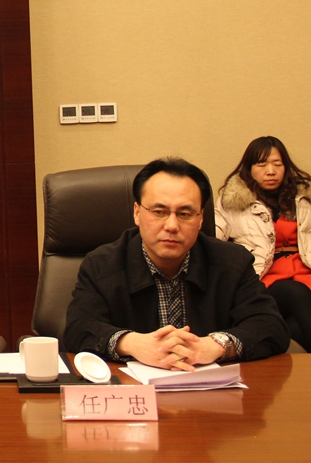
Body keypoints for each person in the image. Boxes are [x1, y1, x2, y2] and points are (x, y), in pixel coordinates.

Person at [63, 157, 289, 370]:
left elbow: (270, 325)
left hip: (211, 389)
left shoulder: (233, 262)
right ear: (137, 213)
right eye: (159, 212)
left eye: (185, 213)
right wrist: (132, 343)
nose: (171, 225)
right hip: (133, 389)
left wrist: (215, 345)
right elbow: (78, 328)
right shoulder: (101, 265)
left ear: (200, 218)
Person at [215, 136, 311, 351]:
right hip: (265, 278)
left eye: (277, 164)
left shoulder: (305, 199)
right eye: (262, 165)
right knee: (292, 291)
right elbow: (213, 238)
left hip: (307, 273)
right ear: (249, 168)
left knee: (294, 327)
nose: (271, 171)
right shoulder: (232, 203)